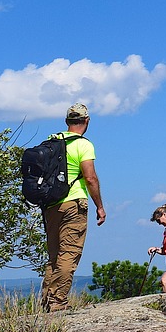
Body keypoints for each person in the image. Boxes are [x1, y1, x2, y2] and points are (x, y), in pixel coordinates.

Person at [40, 103, 106, 312]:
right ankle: (58, 302)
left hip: (50, 204)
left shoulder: (52, 141)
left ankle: (47, 301)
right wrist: (100, 206)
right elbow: (90, 177)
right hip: (74, 203)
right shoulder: (83, 145)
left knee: (54, 255)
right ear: (87, 121)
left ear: (67, 121)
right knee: (69, 253)